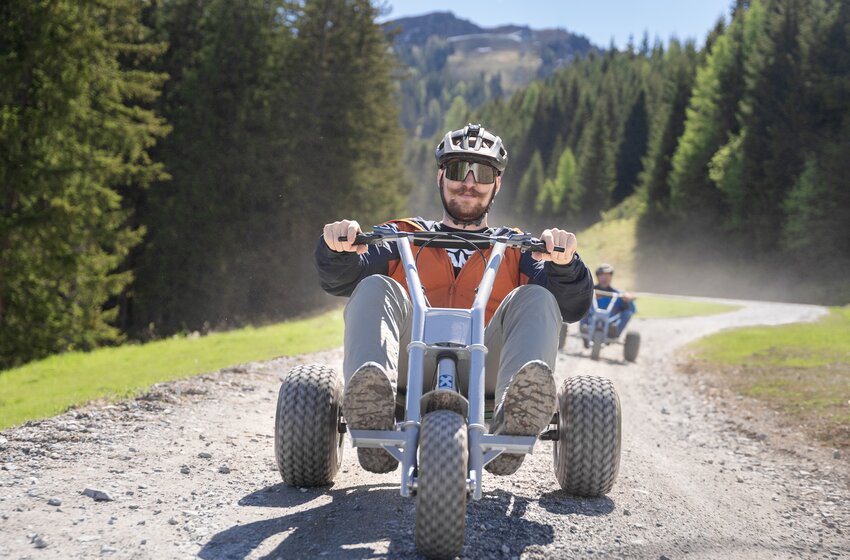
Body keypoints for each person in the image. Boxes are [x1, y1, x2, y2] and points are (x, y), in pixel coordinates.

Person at [314, 124, 593, 476]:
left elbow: (571, 307)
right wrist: (338, 247)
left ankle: (515, 421)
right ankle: (373, 416)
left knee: (537, 296)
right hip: (409, 365)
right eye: (460, 170)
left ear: (497, 184)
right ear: (441, 176)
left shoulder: (517, 247)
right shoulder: (404, 235)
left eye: (484, 173)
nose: (470, 183)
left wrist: (565, 265)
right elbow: (342, 277)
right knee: (374, 286)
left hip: (488, 370)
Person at [581, 263, 636, 337]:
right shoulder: (589, 290)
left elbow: (632, 310)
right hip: (591, 319)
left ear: (611, 277)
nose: (605, 278)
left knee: (627, 313)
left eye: (607, 275)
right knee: (583, 306)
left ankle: (614, 332)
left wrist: (628, 300)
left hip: (610, 322)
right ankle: (584, 327)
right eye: (602, 275)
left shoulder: (618, 294)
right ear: (597, 276)